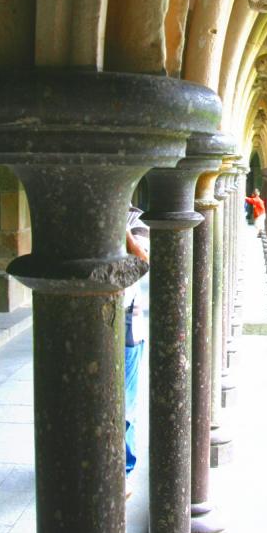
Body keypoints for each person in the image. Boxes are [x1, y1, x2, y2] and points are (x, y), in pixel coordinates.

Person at [124, 207, 149, 496]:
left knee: (125, 404)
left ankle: (123, 470)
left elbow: (143, 261)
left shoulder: (136, 221)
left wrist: (121, 227)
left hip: (129, 327)